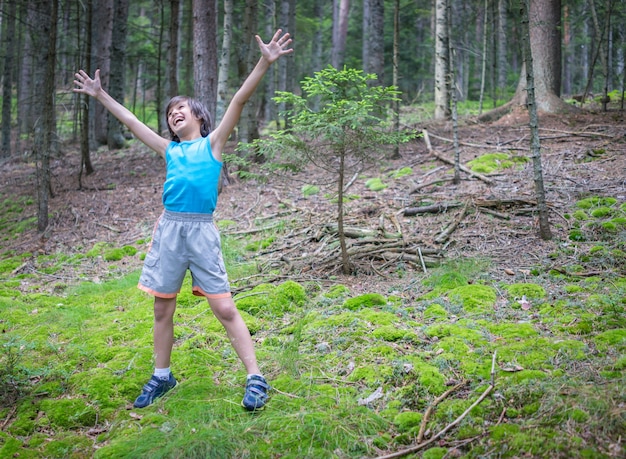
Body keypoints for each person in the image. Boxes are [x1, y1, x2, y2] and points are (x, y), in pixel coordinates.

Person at [73, 30, 293, 411]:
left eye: (181, 109)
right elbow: (130, 121)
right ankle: (163, 376)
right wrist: (100, 94)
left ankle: (255, 377)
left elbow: (239, 99)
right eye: (170, 113)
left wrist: (264, 61)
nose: (174, 114)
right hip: (170, 230)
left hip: (202, 232)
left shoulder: (213, 143)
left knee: (224, 307)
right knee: (162, 308)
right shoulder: (169, 150)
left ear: (199, 117)